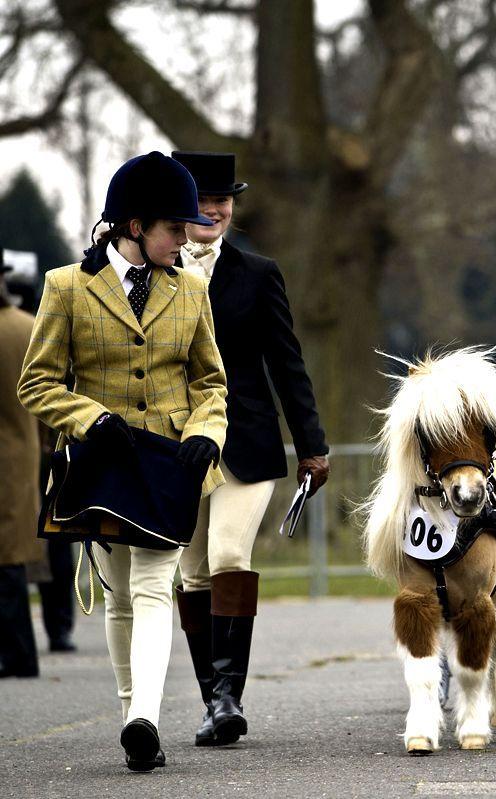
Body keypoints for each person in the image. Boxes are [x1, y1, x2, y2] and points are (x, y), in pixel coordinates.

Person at [18, 151, 227, 771]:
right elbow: (38, 383)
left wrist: (206, 434)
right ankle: (132, 709)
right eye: (174, 228)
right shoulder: (65, 288)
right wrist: (90, 420)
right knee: (119, 599)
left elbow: (212, 382)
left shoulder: (190, 290)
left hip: (171, 465)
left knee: (155, 584)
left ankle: (145, 721)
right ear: (135, 226)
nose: (187, 239)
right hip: (103, 465)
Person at [171, 150, 329, 747]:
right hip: (179, 445)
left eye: (223, 201)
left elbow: (288, 365)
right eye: (202, 202)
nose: (213, 210)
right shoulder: (153, 274)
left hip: (248, 439)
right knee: (191, 570)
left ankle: (228, 695)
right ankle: (213, 701)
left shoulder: (258, 273)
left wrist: (311, 446)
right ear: (181, 210)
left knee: (229, 555)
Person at [0, 256, 41, 678]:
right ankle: (22, 654)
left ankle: (17, 656)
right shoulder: (26, 327)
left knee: (8, 561)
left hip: (9, 457)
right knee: (13, 559)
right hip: (25, 454)